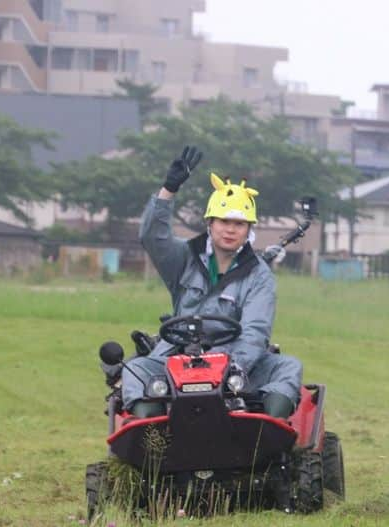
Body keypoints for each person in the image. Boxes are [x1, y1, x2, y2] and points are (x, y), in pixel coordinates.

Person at [121, 146, 302, 418]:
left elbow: (255, 330)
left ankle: (264, 430)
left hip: (235, 365)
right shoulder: (184, 257)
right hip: (178, 357)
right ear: (210, 222)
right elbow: (152, 237)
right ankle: (152, 431)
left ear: (249, 230)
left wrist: (231, 371)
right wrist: (168, 190)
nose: (230, 229)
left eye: (239, 224)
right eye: (224, 221)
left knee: (288, 367)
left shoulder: (259, 275)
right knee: (135, 369)